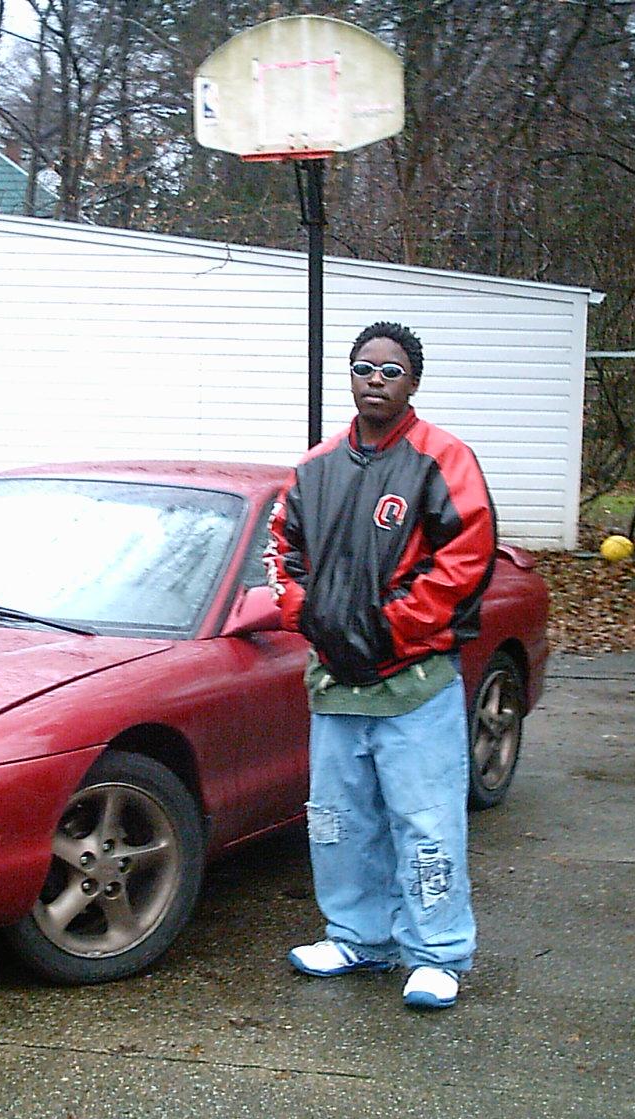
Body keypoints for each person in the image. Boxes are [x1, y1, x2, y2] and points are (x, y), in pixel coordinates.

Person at [266, 320, 497, 1009]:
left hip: (415, 685)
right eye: (364, 368)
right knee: (337, 822)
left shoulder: (444, 459)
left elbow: (465, 560)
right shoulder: (315, 468)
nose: (376, 381)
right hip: (335, 685)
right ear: (350, 376)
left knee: (426, 823)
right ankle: (358, 937)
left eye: (391, 371)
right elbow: (282, 552)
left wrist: (387, 628)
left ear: (413, 382)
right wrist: (314, 618)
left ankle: (437, 953)